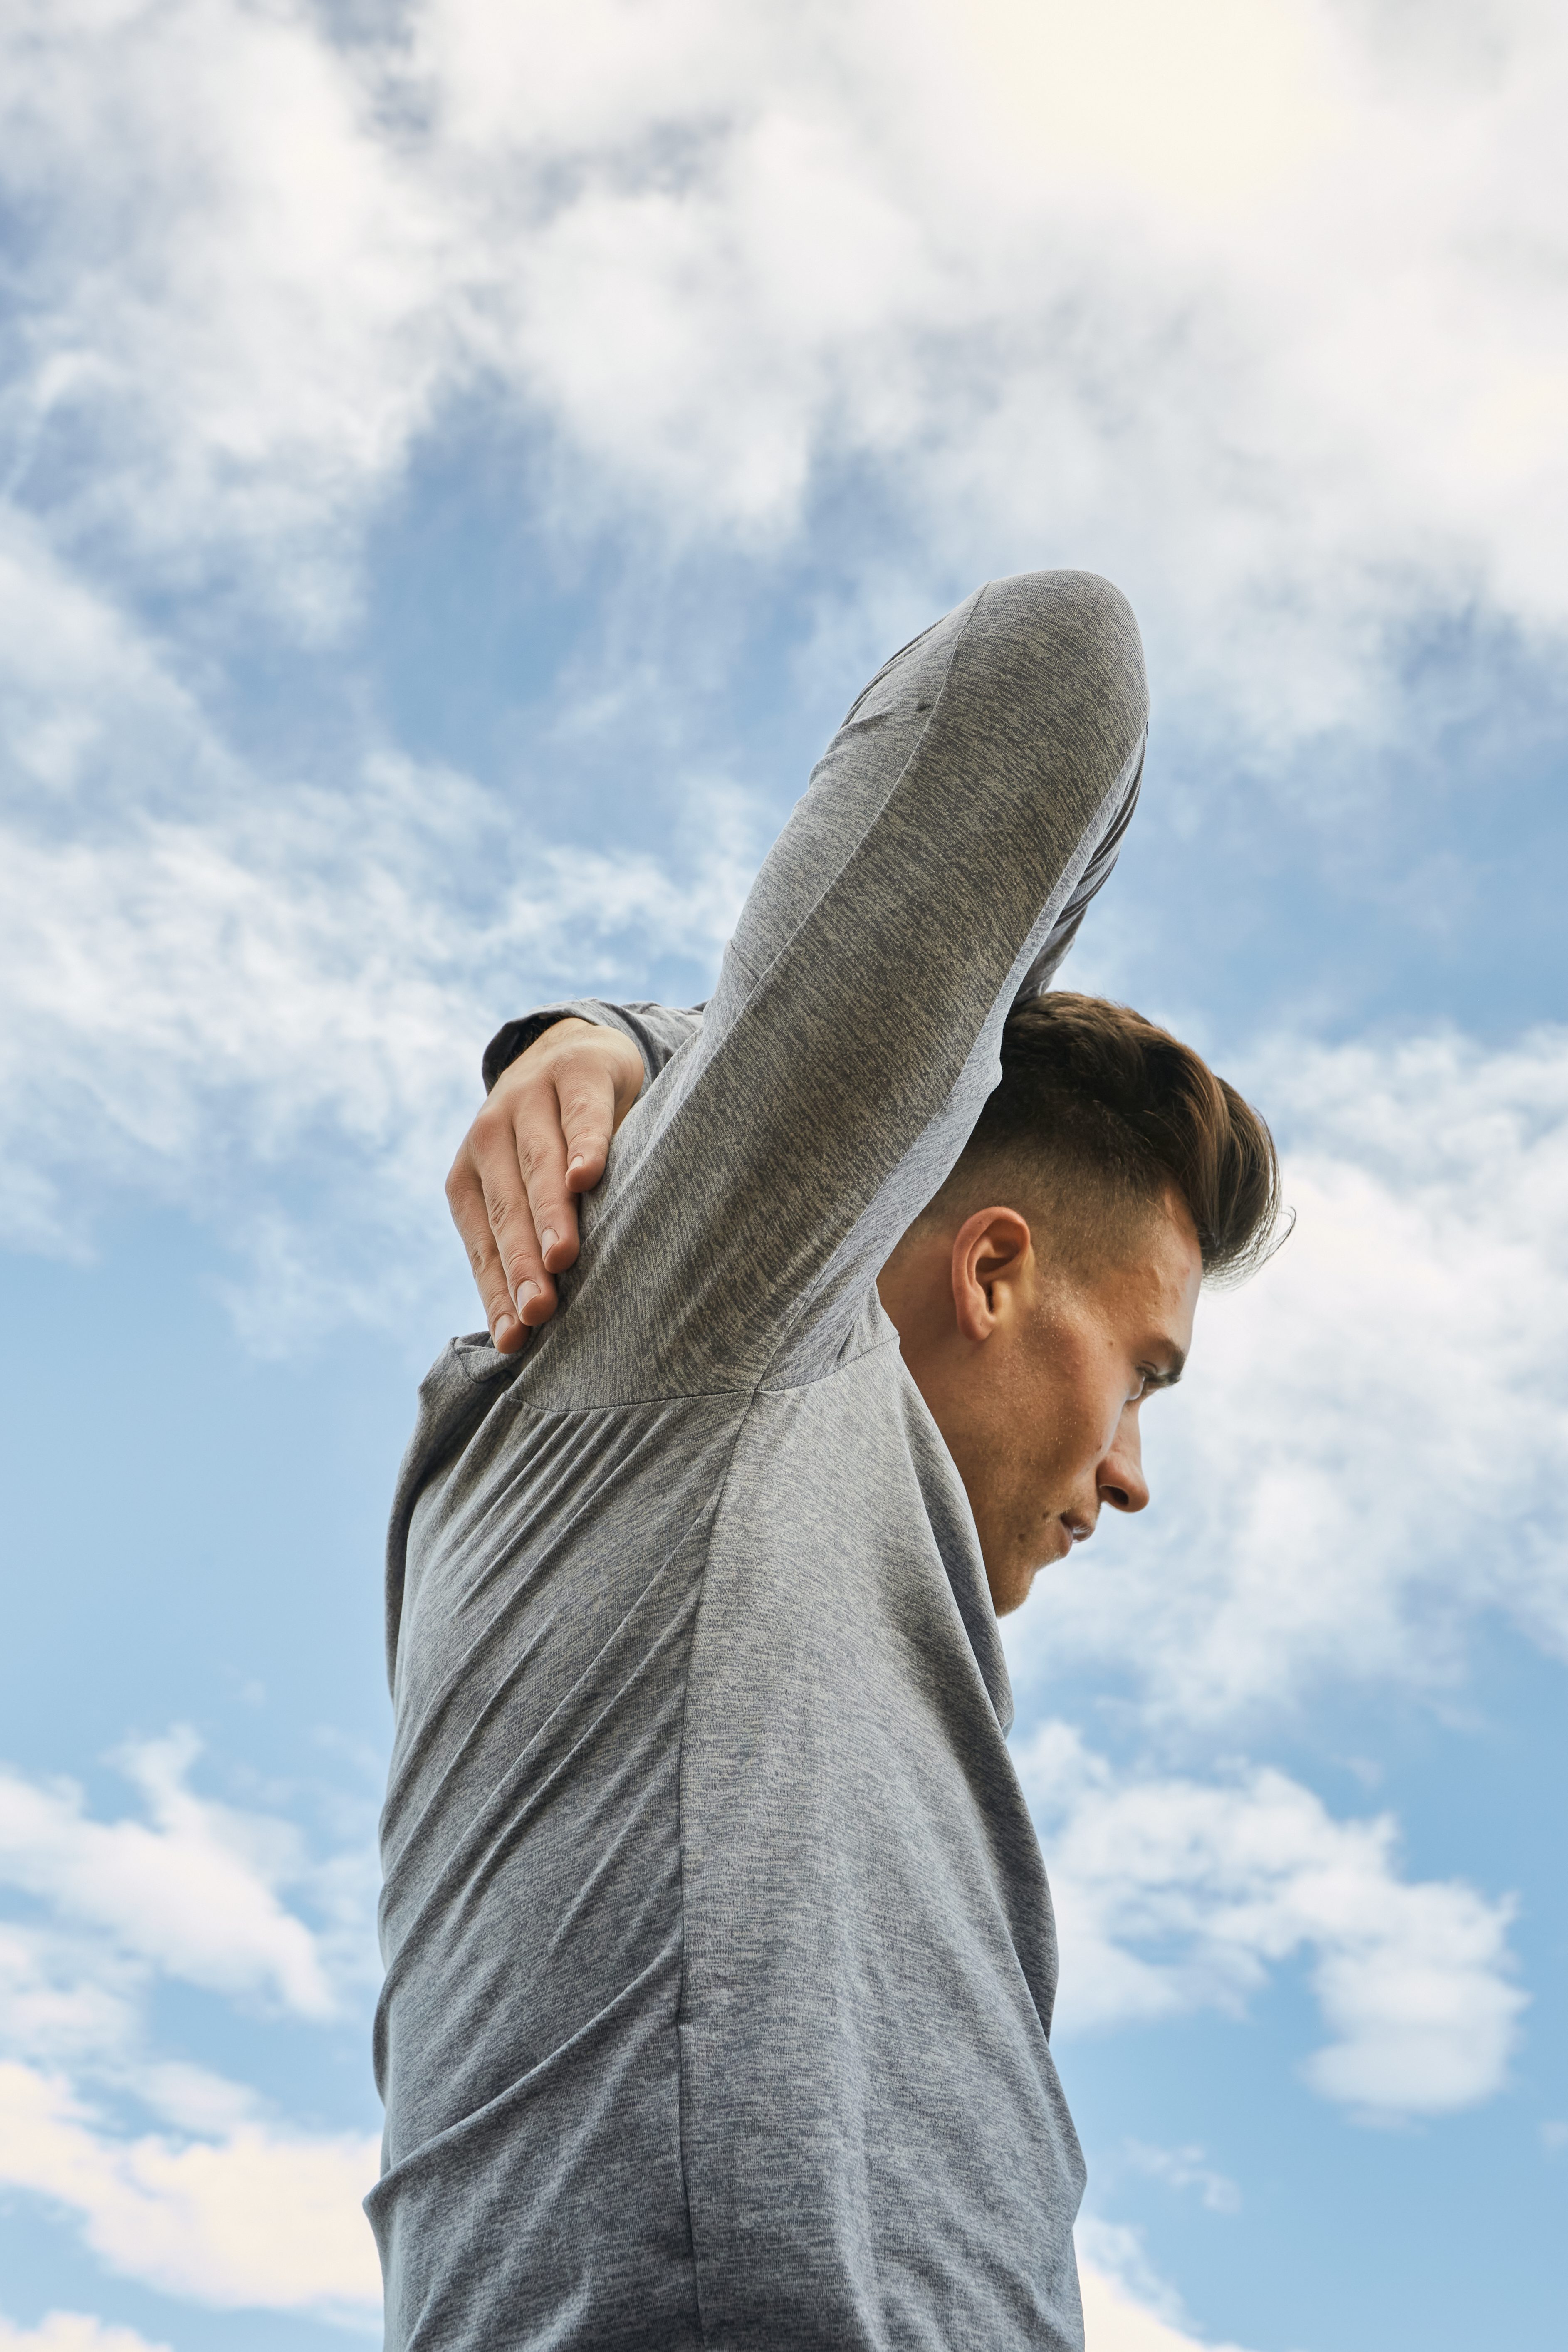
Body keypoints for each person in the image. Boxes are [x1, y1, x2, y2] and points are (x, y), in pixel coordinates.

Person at [369, 571, 1282, 2350]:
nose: (1137, 1472)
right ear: (994, 1265)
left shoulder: (860, 1611)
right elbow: (1049, 663)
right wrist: (660, 1054)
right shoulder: (706, 1344)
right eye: (1145, 1373)